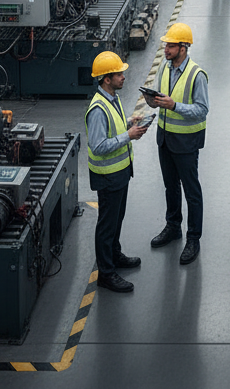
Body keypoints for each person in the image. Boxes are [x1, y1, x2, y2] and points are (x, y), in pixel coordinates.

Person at [86, 51, 149, 292]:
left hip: (120, 173)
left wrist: (130, 123)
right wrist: (128, 136)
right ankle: (106, 273)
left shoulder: (112, 98)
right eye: (119, 74)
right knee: (107, 225)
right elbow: (98, 146)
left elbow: (114, 129)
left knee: (116, 219)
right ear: (106, 79)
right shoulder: (98, 109)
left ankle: (115, 255)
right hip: (108, 176)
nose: (124, 77)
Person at [150, 23, 209, 266]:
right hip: (165, 139)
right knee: (170, 187)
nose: (166, 49)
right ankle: (173, 226)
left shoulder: (197, 75)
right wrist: (153, 102)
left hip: (186, 142)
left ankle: (193, 238)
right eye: (166, 45)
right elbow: (161, 97)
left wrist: (174, 106)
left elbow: (202, 110)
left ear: (183, 48)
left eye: (171, 46)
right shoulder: (165, 68)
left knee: (191, 191)